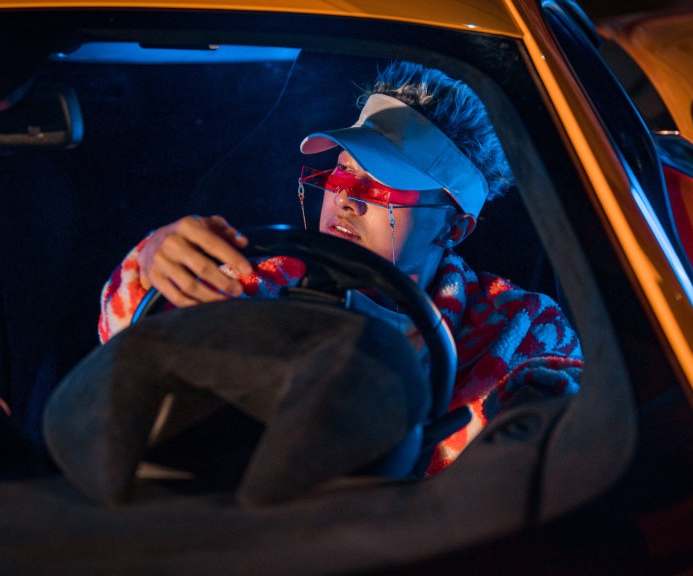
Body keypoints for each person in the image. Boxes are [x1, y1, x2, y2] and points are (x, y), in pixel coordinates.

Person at [98, 62, 583, 473]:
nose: (347, 197)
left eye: (384, 184)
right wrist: (153, 265)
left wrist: (541, 413)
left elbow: (565, 411)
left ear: (454, 227)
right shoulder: (260, 282)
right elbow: (131, 350)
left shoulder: (517, 323)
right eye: (344, 170)